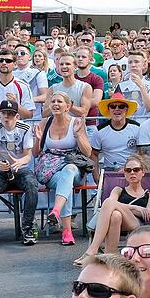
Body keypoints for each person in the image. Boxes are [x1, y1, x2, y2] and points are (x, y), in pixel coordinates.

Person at [33, 91, 93, 246]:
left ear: (68, 106)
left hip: (74, 167)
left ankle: (56, 211)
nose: (55, 104)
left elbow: (88, 152)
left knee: (69, 170)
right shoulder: (44, 122)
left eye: (59, 101)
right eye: (53, 101)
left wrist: (78, 135)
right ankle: (66, 230)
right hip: (50, 170)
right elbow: (35, 153)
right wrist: (38, 140)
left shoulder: (76, 122)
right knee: (65, 182)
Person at [75, 154, 150, 266]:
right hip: (118, 221)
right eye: (128, 170)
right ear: (125, 174)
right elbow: (110, 205)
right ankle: (111, 257)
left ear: (142, 172)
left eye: (136, 170)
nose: (132, 173)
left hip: (137, 223)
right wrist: (135, 207)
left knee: (110, 204)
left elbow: (148, 212)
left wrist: (123, 207)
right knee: (115, 215)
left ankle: (92, 249)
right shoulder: (118, 190)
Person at [0, 99, 39, 248]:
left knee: (32, 185)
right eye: (4, 113)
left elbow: (28, 156)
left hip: (20, 169)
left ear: (17, 116)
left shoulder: (25, 128)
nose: (7, 117)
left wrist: (20, 162)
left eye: (11, 114)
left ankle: (28, 227)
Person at [91, 92, 141, 180]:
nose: (117, 109)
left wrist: (129, 168)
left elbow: (143, 154)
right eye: (113, 106)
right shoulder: (99, 131)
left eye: (121, 106)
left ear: (126, 109)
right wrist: (96, 177)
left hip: (133, 170)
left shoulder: (137, 128)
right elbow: (94, 154)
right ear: (109, 109)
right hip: (110, 172)